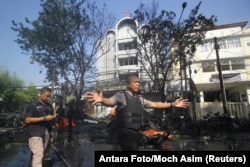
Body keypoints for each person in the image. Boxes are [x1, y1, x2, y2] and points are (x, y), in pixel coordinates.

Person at [86, 75, 190, 151]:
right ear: (128, 84)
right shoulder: (121, 96)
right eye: (135, 82)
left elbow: (155, 104)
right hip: (125, 133)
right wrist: (102, 99)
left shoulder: (140, 99)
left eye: (139, 82)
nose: (138, 84)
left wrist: (172, 104)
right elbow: (110, 102)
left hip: (136, 133)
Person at [25, 87, 57, 167]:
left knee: (40, 153)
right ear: (41, 94)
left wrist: (53, 117)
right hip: (35, 132)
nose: (48, 98)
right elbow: (27, 120)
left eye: (49, 96)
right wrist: (44, 118)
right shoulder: (33, 105)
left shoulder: (49, 106)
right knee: (38, 153)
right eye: (47, 96)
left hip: (45, 131)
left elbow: (51, 118)